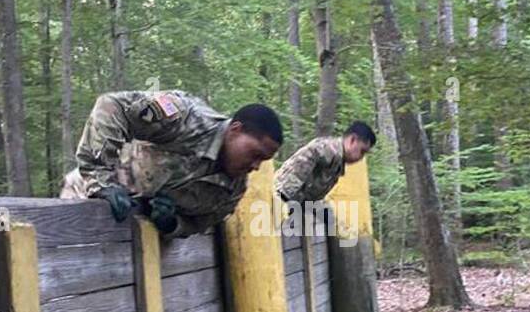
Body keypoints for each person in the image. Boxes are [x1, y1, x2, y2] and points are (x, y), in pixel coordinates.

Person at [60, 90, 282, 238]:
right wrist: (100, 179)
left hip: (134, 236)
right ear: (235, 130)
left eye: (263, 161)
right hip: (85, 199)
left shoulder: (233, 189)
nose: (256, 166)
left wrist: (171, 224)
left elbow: (200, 223)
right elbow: (112, 105)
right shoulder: (185, 119)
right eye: (255, 154)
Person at [274, 121, 377, 205]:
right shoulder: (327, 150)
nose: (361, 157)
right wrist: (282, 202)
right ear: (352, 140)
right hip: (281, 198)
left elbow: (314, 192)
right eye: (362, 151)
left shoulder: (338, 161)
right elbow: (295, 172)